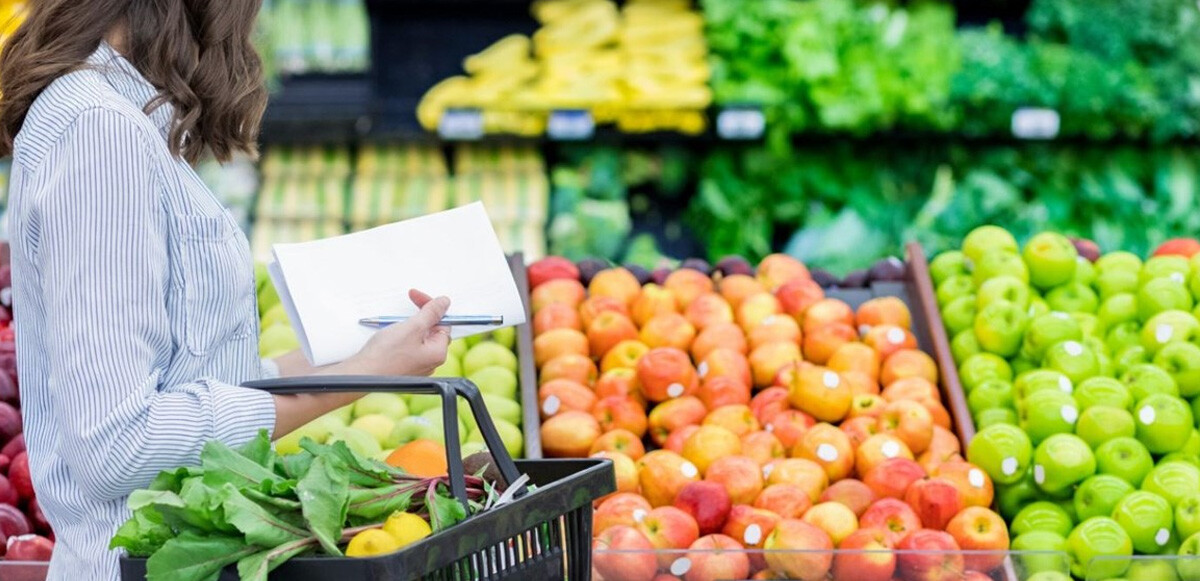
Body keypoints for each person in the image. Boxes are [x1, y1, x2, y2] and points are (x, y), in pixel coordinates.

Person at [0, 1, 452, 578]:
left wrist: (356, 360)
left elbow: (183, 378)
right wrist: (351, 384)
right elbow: (117, 443)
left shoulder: (112, 116)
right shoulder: (99, 133)